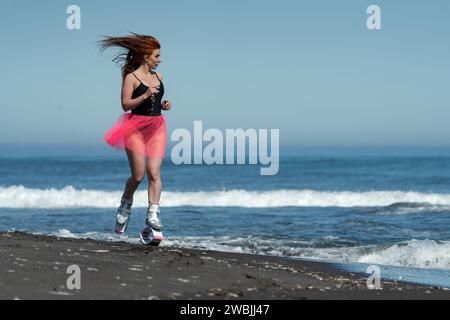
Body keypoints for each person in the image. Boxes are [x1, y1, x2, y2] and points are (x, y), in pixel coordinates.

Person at [97, 33, 172, 238]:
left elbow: (155, 103)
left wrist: (163, 105)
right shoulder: (131, 78)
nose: (160, 59)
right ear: (146, 56)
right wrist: (146, 95)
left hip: (157, 126)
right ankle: (125, 203)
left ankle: (153, 214)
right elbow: (125, 104)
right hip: (135, 128)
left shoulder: (159, 76)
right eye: (156, 56)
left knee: (154, 173)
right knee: (138, 175)